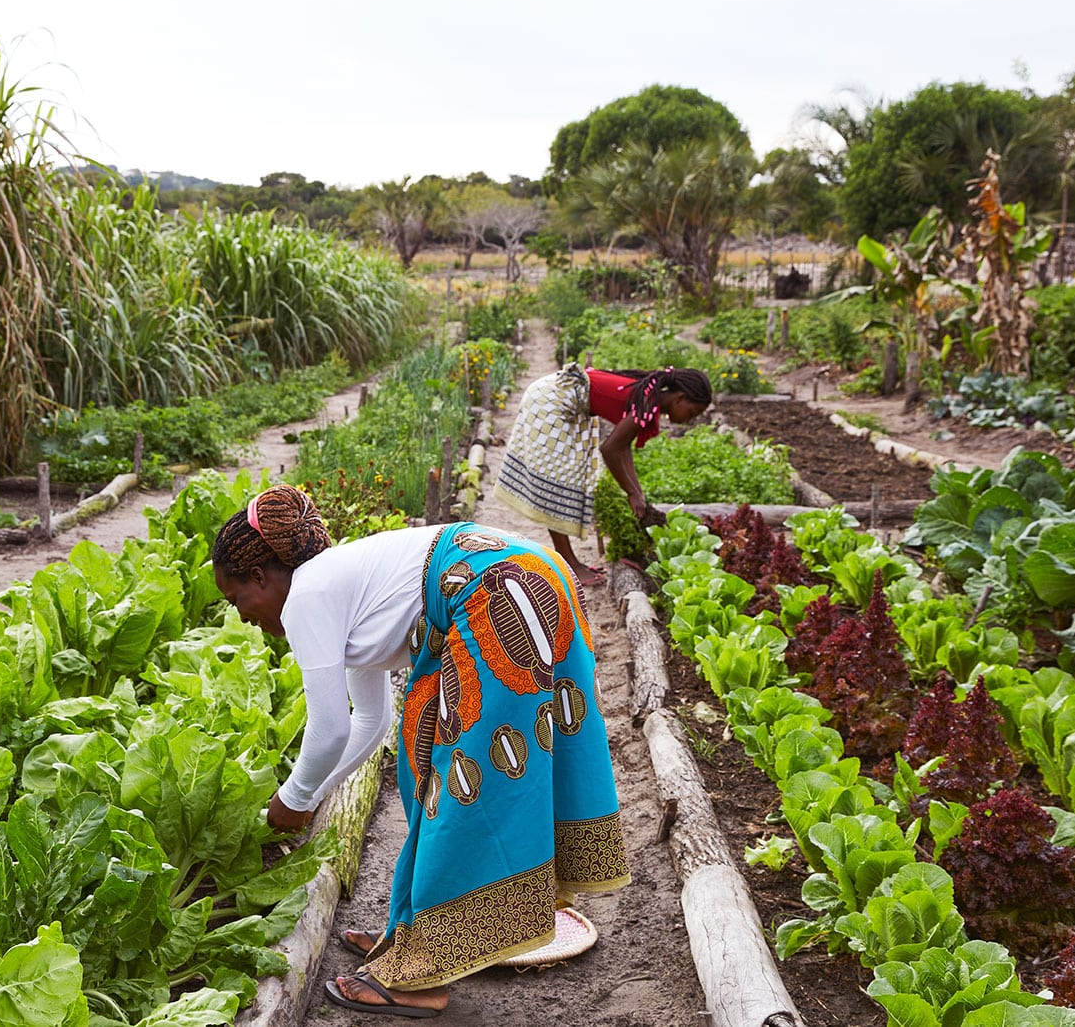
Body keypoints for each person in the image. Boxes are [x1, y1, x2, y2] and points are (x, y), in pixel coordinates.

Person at [212, 485, 630, 1018]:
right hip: (530, 574)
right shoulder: (339, 585)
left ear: (260, 578)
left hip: (499, 592)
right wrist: (312, 795)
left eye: (236, 600)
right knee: (424, 759)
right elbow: (370, 722)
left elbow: (328, 728)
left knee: (465, 783)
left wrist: (290, 801)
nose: (242, 616)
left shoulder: (307, 598)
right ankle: (413, 937)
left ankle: (420, 976)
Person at [493, 364, 712, 587]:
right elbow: (611, 449)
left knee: (566, 475)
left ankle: (569, 561)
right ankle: (568, 563)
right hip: (550, 401)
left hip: (558, 397)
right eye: (691, 412)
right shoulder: (646, 403)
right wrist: (631, 492)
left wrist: (637, 493)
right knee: (558, 481)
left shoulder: (648, 398)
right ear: (680, 398)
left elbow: (623, 446)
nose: (689, 420)